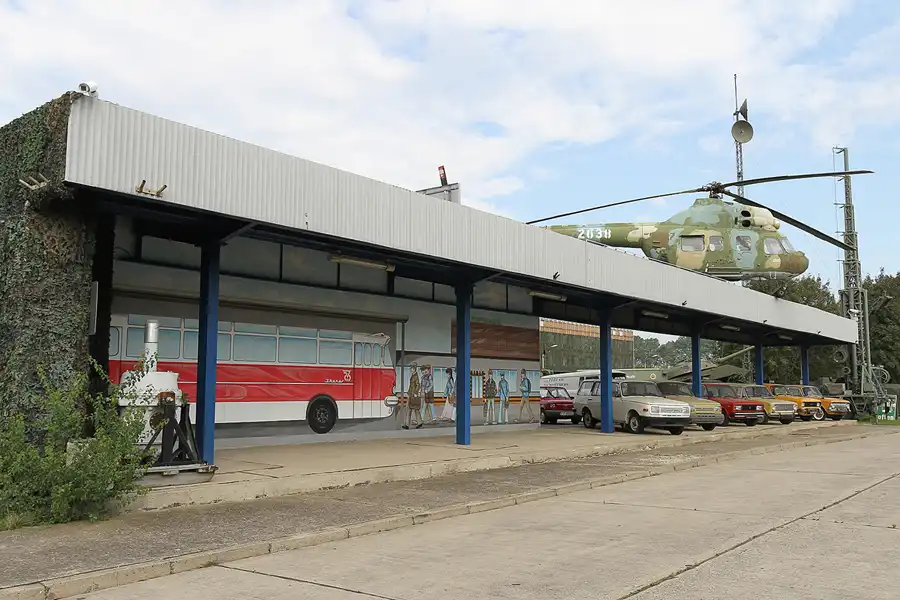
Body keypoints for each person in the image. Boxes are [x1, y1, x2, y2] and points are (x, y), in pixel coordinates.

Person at [403, 365, 423, 429]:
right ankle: (418, 422)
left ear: (414, 369)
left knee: (411, 409)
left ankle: (407, 425)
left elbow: (418, 385)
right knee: (414, 409)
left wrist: (415, 393)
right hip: (411, 394)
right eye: (411, 369)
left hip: (413, 394)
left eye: (412, 369)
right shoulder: (413, 376)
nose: (411, 370)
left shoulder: (415, 376)